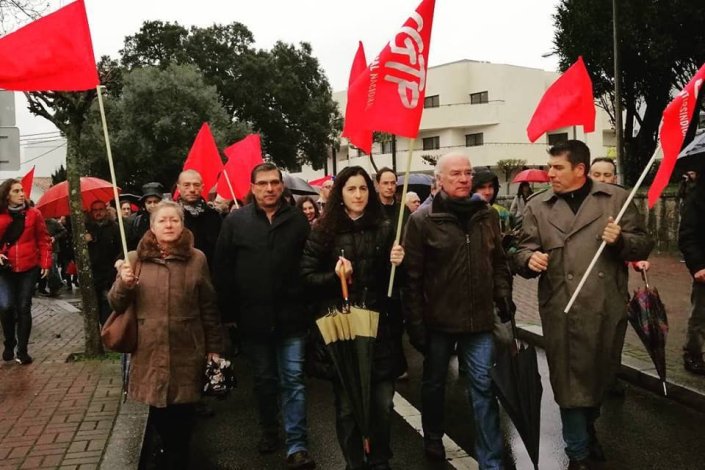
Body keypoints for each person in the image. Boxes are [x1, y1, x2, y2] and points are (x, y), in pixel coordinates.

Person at [513, 140, 653, 469]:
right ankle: (577, 452)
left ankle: (587, 429)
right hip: (562, 308)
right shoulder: (538, 206)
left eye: (557, 167)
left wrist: (621, 240)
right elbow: (519, 250)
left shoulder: (617, 199)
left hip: (606, 307)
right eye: (549, 167)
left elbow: (643, 245)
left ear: (580, 169)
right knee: (568, 381)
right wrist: (527, 259)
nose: (550, 174)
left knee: (600, 378)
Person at [402, 153, 512, 468]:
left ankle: (491, 461)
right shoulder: (421, 220)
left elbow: (499, 260)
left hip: (479, 321)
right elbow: (412, 279)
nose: (464, 179)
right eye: (456, 174)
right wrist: (416, 324)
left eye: (468, 173)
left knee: (483, 386)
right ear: (439, 180)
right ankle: (433, 435)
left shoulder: (487, 215)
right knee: (434, 383)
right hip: (437, 322)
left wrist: (502, 294)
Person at [301, 166, 404, 470]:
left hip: (379, 328)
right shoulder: (323, 230)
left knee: (383, 403)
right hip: (343, 329)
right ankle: (354, 461)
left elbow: (397, 282)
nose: (358, 195)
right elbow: (306, 278)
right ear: (340, 194)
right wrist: (334, 278)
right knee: (348, 408)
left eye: (362, 188)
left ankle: (380, 458)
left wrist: (398, 263)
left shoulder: (385, 228)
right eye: (351, 189)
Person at [214, 163, 315, 469]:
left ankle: (297, 444)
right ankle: (269, 430)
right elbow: (223, 268)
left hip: (292, 318)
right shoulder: (236, 221)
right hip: (253, 320)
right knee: (264, 380)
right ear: (253, 187)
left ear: (282, 186)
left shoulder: (298, 220)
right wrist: (228, 314)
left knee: (294, 380)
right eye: (263, 183)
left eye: (275, 182)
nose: (269, 188)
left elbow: (308, 264)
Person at [109, 201, 223, 469]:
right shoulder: (134, 259)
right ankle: (170, 451)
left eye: (174, 220)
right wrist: (124, 285)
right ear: (152, 227)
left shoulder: (197, 259)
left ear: (182, 225)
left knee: (184, 410)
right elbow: (115, 303)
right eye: (162, 221)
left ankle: (178, 456)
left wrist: (214, 347)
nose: (169, 225)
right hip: (149, 348)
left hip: (187, 346)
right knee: (159, 408)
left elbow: (208, 305)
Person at [0, 179, 51, 364]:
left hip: (29, 268)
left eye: (22, 190)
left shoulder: (33, 214)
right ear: (7, 195)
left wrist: (45, 263)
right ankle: (9, 342)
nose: (21, 193)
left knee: (24, 307)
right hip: (6, 269)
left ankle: (22, 350)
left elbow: (44, 239)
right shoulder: (1, 216)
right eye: (16, 191)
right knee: (6, 307)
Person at [678, 176, 705, 375]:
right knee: (701, 315)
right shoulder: (698, 198)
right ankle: (694, 354)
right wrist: (698, 266)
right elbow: (687, 235)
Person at [176, 170, 223, 268]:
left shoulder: (214, 215)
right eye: (187, 185)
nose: (192, 189)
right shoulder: (171, 215)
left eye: (196, 185)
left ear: (202, 187)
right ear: (178, 188)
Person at [85, 201, 122, 325]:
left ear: (106, 210)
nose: (98, 212)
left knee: (108, 306)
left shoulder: (114, 227)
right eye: (95, 210)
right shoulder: (87, 228)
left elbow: (120, 249)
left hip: (109, 273)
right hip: (93, 274)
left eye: (100, 209)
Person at [472, 167, 510, 233]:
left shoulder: (493, 213)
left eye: (490, 186)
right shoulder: (464, 215)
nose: (488, 192)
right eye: (482, 187)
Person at [127, 182, 164, 250]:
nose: (152, 205)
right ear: (144, 204)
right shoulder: (138, 221)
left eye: (156, 202)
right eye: (149, 202)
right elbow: (132, 245)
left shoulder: (170, 218)